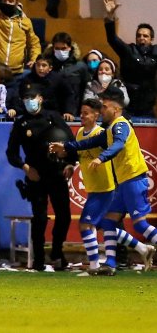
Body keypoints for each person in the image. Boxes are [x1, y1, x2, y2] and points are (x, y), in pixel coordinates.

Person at [50, 87, 157, 275]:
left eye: (105, 107)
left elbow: (119, 144)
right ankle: (110, 264)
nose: (102, 110)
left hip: (134, 179)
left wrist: (101, 158)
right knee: (108, 223)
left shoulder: (121, 125)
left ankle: (110, 261)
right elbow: (87, 143)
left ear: (116, 109)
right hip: (122, 184)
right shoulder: (107, 130)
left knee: (140, 225)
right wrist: (66, 146)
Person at [6, 83, 76, 271]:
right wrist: (26, 167)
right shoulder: (20, 123)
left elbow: (71, 143)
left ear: (41, 99)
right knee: (40, 217)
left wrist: (70, 163)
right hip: (36, 175)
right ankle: (38, 257)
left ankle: (57, 251)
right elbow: (11, 154)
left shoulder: (54, 117)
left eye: (33, 97)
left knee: (64, 215)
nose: (30, 101)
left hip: (57, 172)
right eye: (26, 98)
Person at [102, 0, 157, 116]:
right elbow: (112, 39)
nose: (141, 38)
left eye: (145, 36)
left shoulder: (155, 52)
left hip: (148, 105)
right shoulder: (128, 51)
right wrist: (110, 16)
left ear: (151, 39)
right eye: (139, 35)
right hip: (128, 105)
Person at [6, 54, 75, 119]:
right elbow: (19, 95)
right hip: (31, 114)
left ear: (50, 68)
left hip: (53, 114)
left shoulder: (58, 79)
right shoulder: (28, 79)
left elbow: (68, 95)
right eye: (38, 65)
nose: (40, 68)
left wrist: (68, 111)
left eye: (44, 65)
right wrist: (14, 109)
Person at [45, 32, 91, 119]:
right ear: (53, 48)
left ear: (70, 48)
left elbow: (85, 90)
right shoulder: (46, 65)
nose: (60, 51)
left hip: (73, 112)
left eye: (63, 48)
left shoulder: (80, 66)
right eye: (57, 48)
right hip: (51, 111)